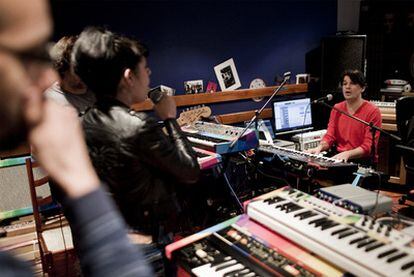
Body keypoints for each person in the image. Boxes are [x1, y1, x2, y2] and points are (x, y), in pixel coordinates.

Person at [0, 0, 152, 276]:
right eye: (28, 54)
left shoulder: (93, 92)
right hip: (77, 186)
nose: (43, 74)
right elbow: (45, 155)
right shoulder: (49, 99)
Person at [72, 26, 200, 243]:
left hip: (106, 237)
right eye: (145, 68)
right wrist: (169, 118)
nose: (149, 74)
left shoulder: (82, 122)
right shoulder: (139, 126)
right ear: (129, 77)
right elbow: (189, 171)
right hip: (147, 242)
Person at [307, 69, 382, 165]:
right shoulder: (337, 108)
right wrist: (319, 148)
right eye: (344, 83)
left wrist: (347, 154)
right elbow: (330, 136)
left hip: (361, 160)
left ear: (362, 88)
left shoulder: (373, 111)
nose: (347, 87)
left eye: (352, 83)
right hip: (339, 157)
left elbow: (368, 146)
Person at [45, 35, 95, 114]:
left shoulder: (95, 92)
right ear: (61, 69)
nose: (85, 77)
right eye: (79, 70)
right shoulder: (49, 102)